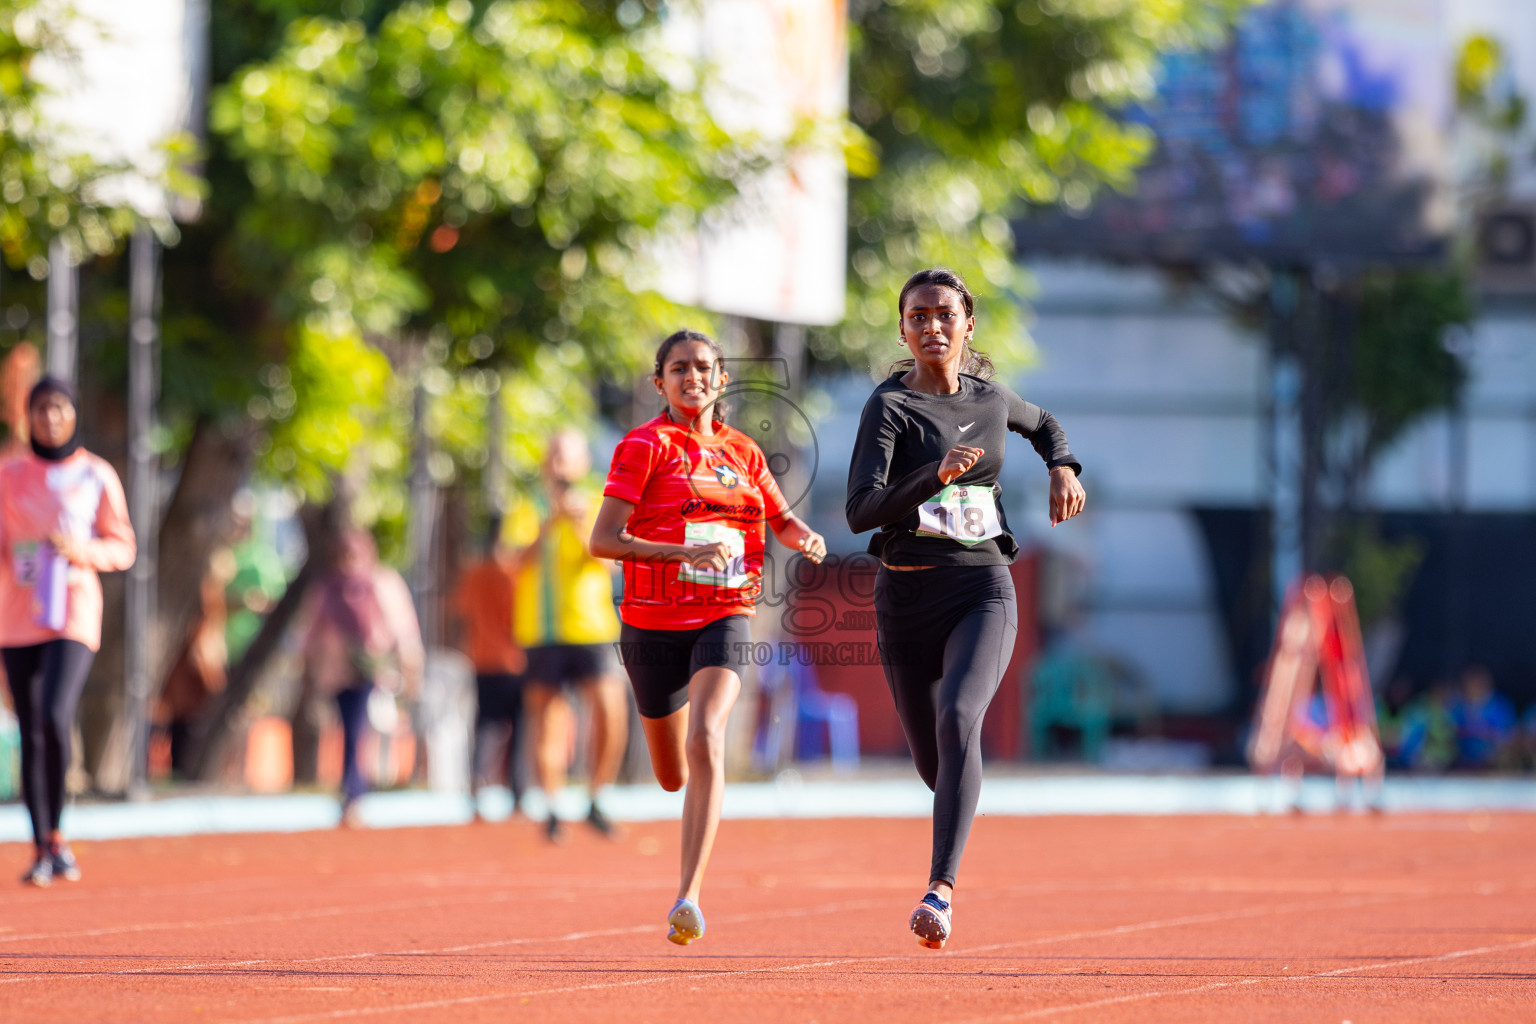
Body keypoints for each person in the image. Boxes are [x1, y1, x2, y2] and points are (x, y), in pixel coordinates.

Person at [846, 268, 1085, 949]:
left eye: (944, 315)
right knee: (935, 763)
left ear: (967, 324)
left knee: (960, 717)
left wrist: (1063, 468)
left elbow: (1045, 426)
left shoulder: (990, 400)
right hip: (906, 595)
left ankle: (939, 892)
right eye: (917, 316)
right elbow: (860, 510)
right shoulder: (888, 407)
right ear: (903, 328)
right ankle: (958, 823)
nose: (932, 327)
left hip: (982, 587)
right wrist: (934, 477)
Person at [591, 329, 826, 945]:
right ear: (659, 382)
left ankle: (688, 895)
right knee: (671, 772)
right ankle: (681, 818)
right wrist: (677, 549)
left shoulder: (745, 452)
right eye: (679, 368)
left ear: (722, 380)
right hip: (650, 624)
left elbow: (779, 517)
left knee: (708, 736)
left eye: (704, 368)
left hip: (726, 613)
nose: (692, 377)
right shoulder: (644, 447)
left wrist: (805, 536)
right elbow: (602, 540)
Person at [0, 377, 136, 886]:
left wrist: (82, 552)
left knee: (55, 713)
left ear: (73, 414)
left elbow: (123, 546)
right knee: (29, 725)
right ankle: (42, 844)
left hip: (73, 613)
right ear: (28, 415)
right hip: (17, 616)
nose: (49, 418)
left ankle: (57, 832)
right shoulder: (9, 474)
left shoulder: (96, 475)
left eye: (58, 408)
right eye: (40, 409)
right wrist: (21, 558)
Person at [509, 431, 628, 842]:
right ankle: (554, 807)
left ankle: (596, 796)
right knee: (547, 720)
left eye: (567, 453)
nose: (559, 461)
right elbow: (514, 562)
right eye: (553, 452)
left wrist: (578, 525)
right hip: (542, 631)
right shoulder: (527, 508)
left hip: (591, 628)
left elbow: (610, 564)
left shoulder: (599, 504)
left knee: (611, 711)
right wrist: (550, 521)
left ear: (581, 464)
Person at [300, 528, 423, 826]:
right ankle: (353, 790)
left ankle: (354, 792)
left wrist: (410, 666)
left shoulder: (381, 583)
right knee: (350, 729)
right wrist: (307, 666)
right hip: (338, 672)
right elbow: (308, 632)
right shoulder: (328, 588)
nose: (348, 561)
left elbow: (403, 628)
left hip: (374, 671)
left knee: (359, 730)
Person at [452, 515, 529, 816]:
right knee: (519, 729)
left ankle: (476, 786)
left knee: (485, 726)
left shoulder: (474, 574)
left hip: (483, 660)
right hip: (515, 661)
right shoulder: (516, 574)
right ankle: (517, 793)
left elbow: (463, 618)